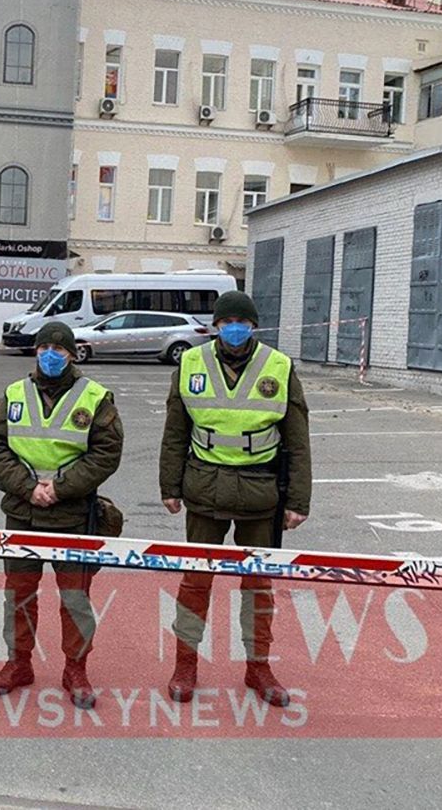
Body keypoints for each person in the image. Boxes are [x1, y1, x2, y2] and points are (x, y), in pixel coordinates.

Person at [159, 291, 312, 708]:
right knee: (195, 582)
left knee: (259, 586)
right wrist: (169, 486)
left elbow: (297, 440)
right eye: (226, 322)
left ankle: (258, 666)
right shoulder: (191, 362)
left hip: (261, 493)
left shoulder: (278, 367)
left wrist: (298, 500)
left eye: (241, 322)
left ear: (254, 325)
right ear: (215, 325)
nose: (234, 329)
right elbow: (175, 430)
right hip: (204, 489)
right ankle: (185, 664)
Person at [0, 321, 123, 709]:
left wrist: (60, 488)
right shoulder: (13, 395)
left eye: (58, 350)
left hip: (74, 513)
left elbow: (106, 453)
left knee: (75, 598)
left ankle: (75, 670)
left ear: (72, 355)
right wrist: (29, 488)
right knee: (19, 595)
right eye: (44, 347)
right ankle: (18, 663)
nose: (50, 355)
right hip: (22, 510)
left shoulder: (95, 398)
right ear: (35, 350)